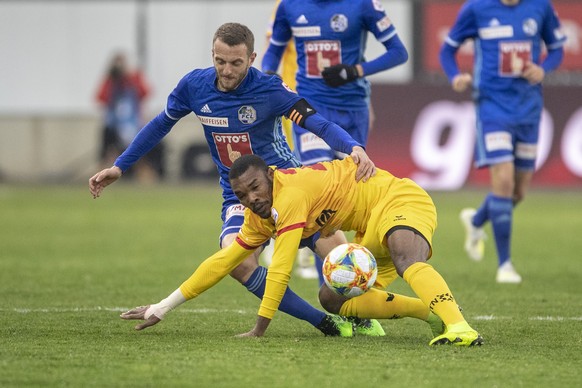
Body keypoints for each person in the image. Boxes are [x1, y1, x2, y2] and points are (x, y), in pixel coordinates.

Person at [89, 22, 381, 337]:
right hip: (239, 197)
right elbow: (160, 124)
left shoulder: (269, 89)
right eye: (220, 61)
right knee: (237, 263)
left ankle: (362, 316)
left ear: (252, 58)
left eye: (236, 63)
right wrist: (121, 165)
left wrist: (353, 147)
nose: (226, 70)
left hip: (291, 187)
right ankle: (325, 324)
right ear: (212, 55)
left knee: (344, 260)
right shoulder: (194, 87)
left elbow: (318, 123)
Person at [121, 154, 483, 347]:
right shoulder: (258, 216)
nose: (253, 199)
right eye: (242, 196)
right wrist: (162, 307)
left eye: (256, 187)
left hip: (399, 198)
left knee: (406, 257)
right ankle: (431, 311)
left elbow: (280, 268)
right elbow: (220, 263)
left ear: (270, 176)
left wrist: (259, 329)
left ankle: (459, 327)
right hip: (368, 229)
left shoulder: (290, 193)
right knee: (332, 297)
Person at [262, 0, 408, 282]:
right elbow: (273, 53)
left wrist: (355, 71)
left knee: (348, 199)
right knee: (320, 195)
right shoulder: (289, 7)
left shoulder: (364, 5)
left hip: (353, 111)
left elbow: (399, 53)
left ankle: (357, 280)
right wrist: (270, 76)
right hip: (309, 111)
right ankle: (330, 290)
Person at [439, 0, 566, 283]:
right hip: (492, 107)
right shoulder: (476, 9)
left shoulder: (540, 7)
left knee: (517, 193)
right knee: (504, 182)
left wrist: (543, 69)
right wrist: (455, 76)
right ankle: (505, 264)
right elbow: (447, 49)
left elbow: (557, 49)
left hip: (528, 109)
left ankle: (475, 221)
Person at [95, 52, 163, 181]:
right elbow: (101, 97)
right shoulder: (110, 80)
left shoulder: (133, 78)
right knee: (107, 143)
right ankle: (101, 173)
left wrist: (129, 78)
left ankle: (146, 175)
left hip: (133, 123)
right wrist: (112, 79)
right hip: (114, 125)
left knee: (140, 147)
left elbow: (146, 92)